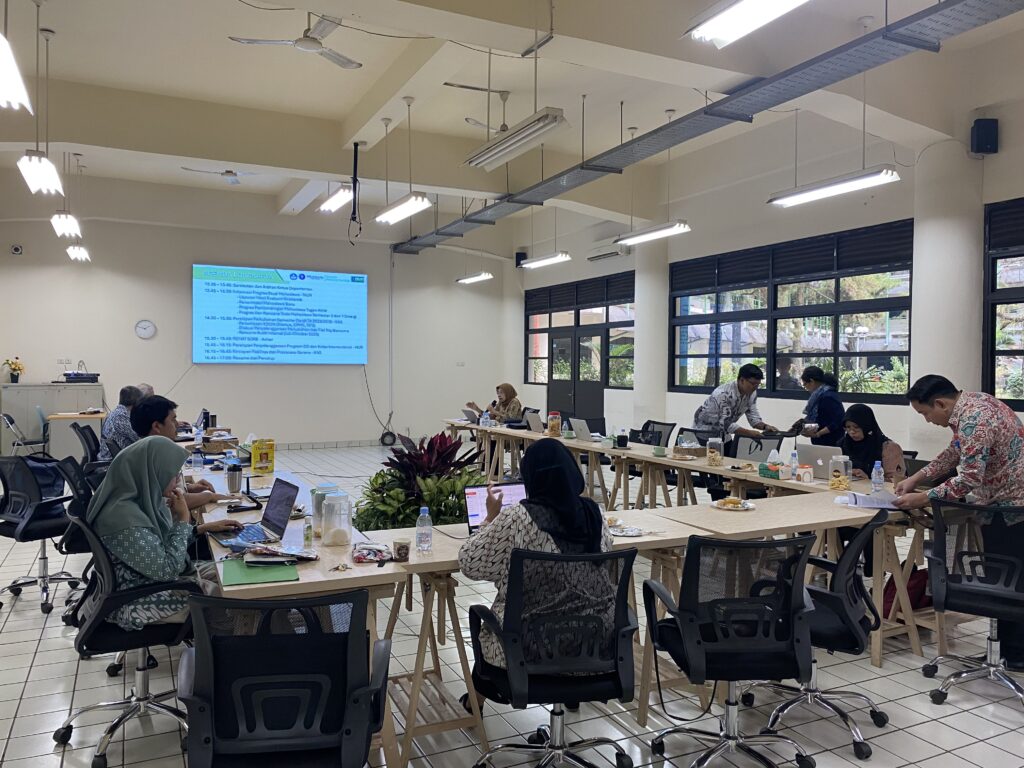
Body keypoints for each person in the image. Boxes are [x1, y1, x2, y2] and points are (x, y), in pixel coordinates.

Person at [457, 438, 613, 709]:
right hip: (594, 647)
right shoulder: (595, 516)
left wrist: (489, 519)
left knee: (502, 616)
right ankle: (568, 700)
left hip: (528, 651)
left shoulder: (518, 517)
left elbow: (470, 562)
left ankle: (474, 702)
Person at [894, 374, 1024, 669]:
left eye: (925, 413)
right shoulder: (973, 404)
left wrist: (922, 498)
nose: (927, 421)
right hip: (1001, 503)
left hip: (1012, 508)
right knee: (1005, 578)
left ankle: (1014, 655)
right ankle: (1002, 651)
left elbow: (968, 478)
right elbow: (955, 452)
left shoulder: (975, 418)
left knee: (1009, 582)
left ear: (940, 403)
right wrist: (917, 477)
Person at [84, 436, 242, 630]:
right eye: (173, 474)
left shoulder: (133, 500)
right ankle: (220, 643)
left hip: (148, 580)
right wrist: (183, 519)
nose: (177, 481)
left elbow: (157, 546)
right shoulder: (123, 519)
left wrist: (201, 529)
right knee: (230, 601)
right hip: (137, 599)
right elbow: (168, 570)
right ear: (152, 472)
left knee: (229, 571)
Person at [130, 395, 235, 509]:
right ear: (157, 426)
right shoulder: (158, 458)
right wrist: (209, 496)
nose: (177, 424)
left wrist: (188, 487)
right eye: (173, 419)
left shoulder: (143, 451)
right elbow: (172, 503)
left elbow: (162, 491)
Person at [836, 404, 905, 572]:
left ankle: (869, 567)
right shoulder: (843, 444)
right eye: (848, 428)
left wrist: (868, 477)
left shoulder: (887, 447)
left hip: (877, 503)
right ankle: (839, 563)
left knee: (863, 526)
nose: (852, 432)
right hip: (850, 498)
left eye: (856, 427)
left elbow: (896, 481)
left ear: (867, 425)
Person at [692, 363, 776, 445]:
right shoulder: (723, 393)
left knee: (730, 453)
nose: (755, 387)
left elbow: (753, 418)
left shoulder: (752, 393)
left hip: (724, 434)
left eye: (758, 384)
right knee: (713, 455)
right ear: (742, 380)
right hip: (704, 434)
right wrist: (750, 433)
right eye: (753, 383)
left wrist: (765, 427)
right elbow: (725, 423)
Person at [800, 366, 844, 446]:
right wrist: (800, 427)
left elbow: (837, 421)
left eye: (805, 385)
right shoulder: (818, 396)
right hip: (821, 441)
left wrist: (818, 434)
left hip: (831, 441)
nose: (806, 388)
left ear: (812, 381)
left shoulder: (828, 396)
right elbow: (818, 418)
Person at [98, 385, 144, 460]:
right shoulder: (120, 417)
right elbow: (138, 439)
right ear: (136, 403)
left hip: (115, 457)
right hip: (113, 461)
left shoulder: (117, 413)